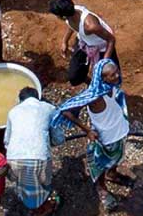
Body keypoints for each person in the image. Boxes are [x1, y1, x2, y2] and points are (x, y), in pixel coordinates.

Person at [58, 57, 135, 203]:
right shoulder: (94, 97)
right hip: (106, 137)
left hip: (120, 131)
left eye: (116, 72)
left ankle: (111, 174)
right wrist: (87, 130)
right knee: (100, 163)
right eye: (112, 75)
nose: (117, 76)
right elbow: (66, 111)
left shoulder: (111, 86)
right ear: (102, 78)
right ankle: (101, 187)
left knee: (118, 156)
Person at [3, 86, 59, 216]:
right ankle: (41, 208)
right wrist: (50, 142)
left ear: (21, 100)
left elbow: (7, 140)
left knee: (24, 183)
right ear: (37, 97)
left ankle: (32, 203)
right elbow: (58, 137)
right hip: (39, 157)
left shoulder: (12, 111)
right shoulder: (49, 108)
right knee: (44, 182)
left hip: (13, 158)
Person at [49, 0, 117, 83]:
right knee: (74, 77)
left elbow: (111, 40)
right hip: (84, 42)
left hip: (103, 48)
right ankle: (87, 80)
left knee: (109, 77)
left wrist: (103, 62)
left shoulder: (90, 26)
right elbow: (71, 25)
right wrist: (65, 41)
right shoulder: (71, 13)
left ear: (63, 16)